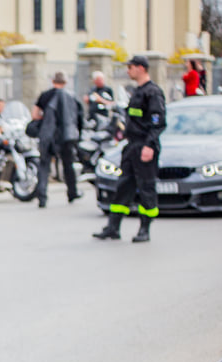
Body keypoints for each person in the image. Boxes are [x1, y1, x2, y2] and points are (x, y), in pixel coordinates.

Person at [93, 55, 166, 243]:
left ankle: (144, 229)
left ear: (141, 68)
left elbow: (157, 123)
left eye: (131, 67)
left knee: (146, 188)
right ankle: (113, 228)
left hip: (144, 146)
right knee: (123, 186)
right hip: (131, 146)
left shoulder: (153, 92)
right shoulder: (137, 91)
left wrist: (149, 145)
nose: (128, 70)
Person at [33, 71, 83, 207]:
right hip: (66, 135)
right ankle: (72, 192)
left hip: (48, 135)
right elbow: (79, 119)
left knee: (44, 165)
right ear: (65, 82)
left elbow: (35, 114)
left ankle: (42, 197)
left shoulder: (45, 95)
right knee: (68, 164)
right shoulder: (71, 97)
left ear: (53, 81)